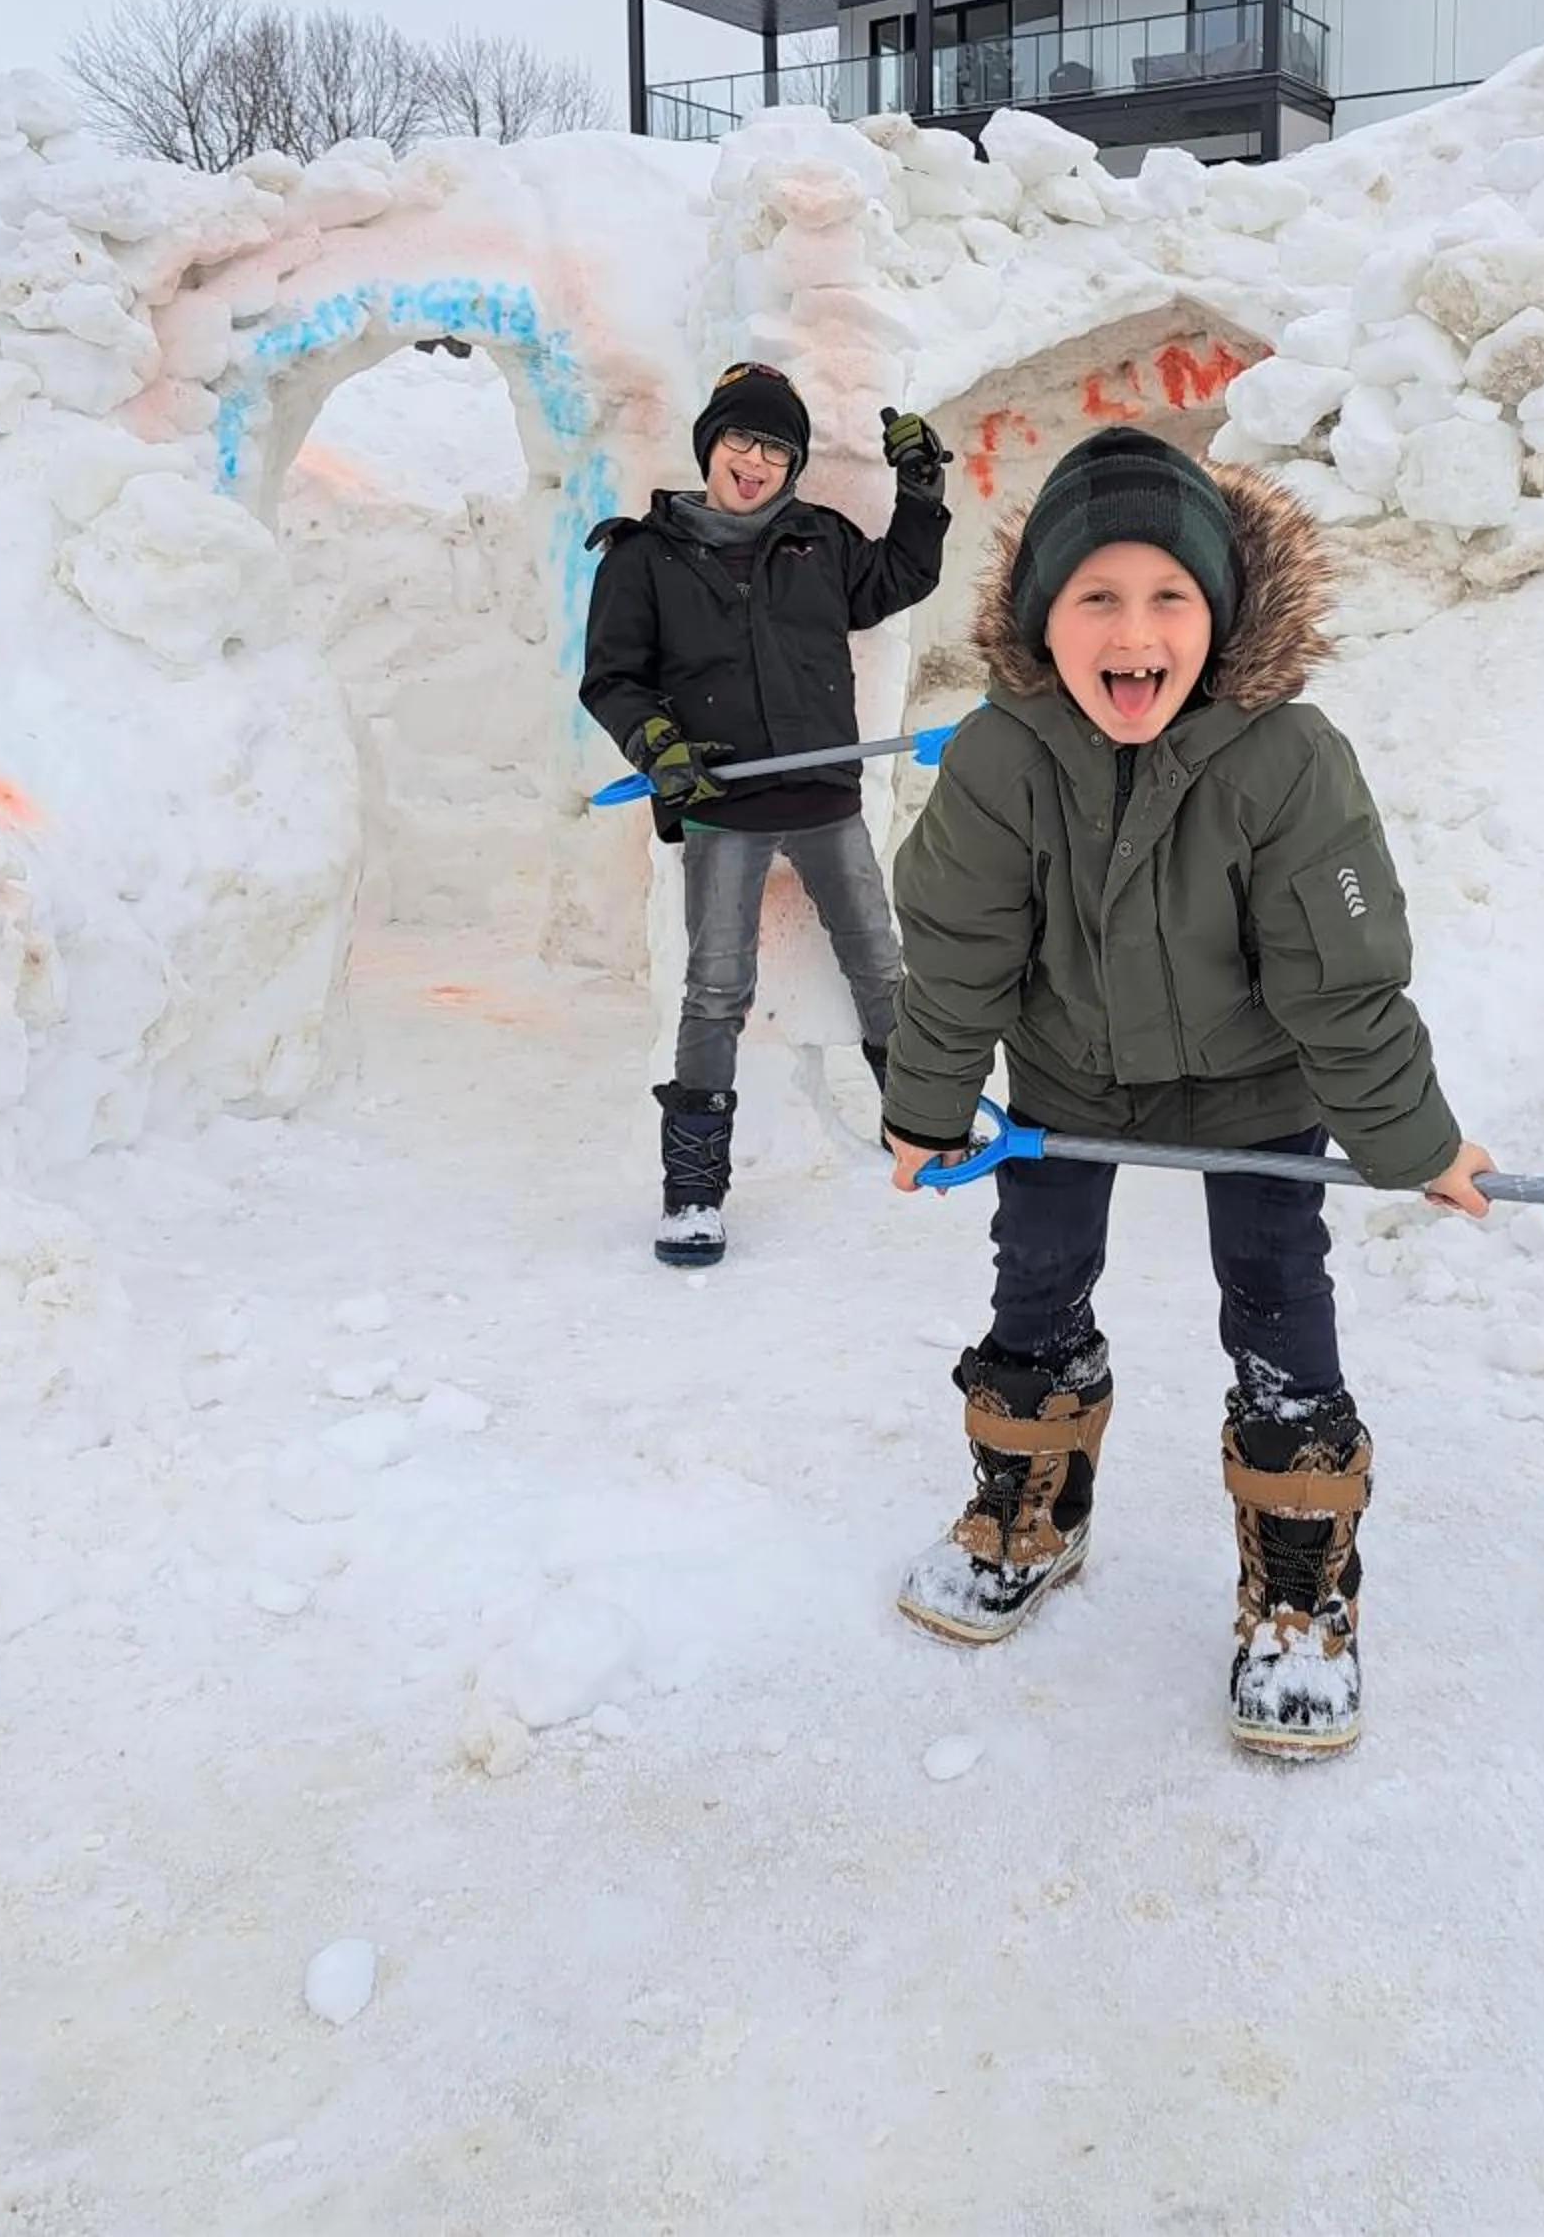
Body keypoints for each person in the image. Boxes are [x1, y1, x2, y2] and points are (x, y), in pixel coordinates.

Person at [877, 428, 1492, 1756]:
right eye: (1095, 595)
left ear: (1216, 614)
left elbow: (1340, 980)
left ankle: (1298, 1592)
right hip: (1068, 1078)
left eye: (1168, 595)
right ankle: (1029, 1511)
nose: (1134, 630)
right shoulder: (997, 758)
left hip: (1254, 1087)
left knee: (1278, 1303)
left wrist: (1415, 1140)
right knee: (1035, 1282)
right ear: (1043, 615)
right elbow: (959, 954)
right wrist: (926, 1105)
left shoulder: (1289, 761)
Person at [581, 361, 950, 1267]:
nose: (756, 462)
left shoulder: (818, 541)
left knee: (879, 963)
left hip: (823, 792)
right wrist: (658, 743)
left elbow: (901, 575)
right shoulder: (643, 556)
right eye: (742, 441)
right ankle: (693, 1191)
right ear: (711, 446)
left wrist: (920, 492)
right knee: (716, 989)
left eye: (777, 450)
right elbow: (613, 678)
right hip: (720, 803)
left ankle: (919, 1128)